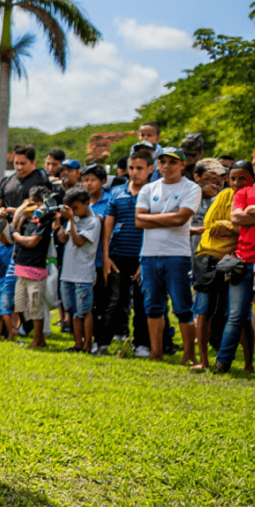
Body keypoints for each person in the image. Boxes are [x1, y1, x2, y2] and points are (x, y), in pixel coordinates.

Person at [135, 146, 200, 367]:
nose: (167, 166)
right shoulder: (148, 188)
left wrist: (152, 218)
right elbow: (138, 220)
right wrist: (169, 217)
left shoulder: (191, 188)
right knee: (152, 305)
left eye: (173, 162)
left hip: (177, 255)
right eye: (162, 161)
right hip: (149, 255)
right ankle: (156, 351)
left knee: (182, 307)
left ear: (183, 164)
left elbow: (181, 219)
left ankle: (188, 353)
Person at [215, 146, 255, 375]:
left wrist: (253, 210)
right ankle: (222, 364)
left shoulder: (250, 199)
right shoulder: (243, 193)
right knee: (235, 316)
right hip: (244, 261)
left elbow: (250, 214)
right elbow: (236, 217)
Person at [193, 161, 255, 372]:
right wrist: (237, 228)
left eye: (243, 178)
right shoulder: (224, 195)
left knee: (239, 314)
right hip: (208, 257)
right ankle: (204, 360)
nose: (237, 183)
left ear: (253, 178)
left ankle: (248, 364)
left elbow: (253, 231)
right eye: (233, 178)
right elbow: (210, 224)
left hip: (238, 258)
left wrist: (228, 225)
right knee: (204, 311)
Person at [103, 152, 154, 357]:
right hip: (117, 256)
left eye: (140, 168)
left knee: (142, 303)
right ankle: (104, 342)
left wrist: (145, 260)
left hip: (144, 257)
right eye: (132, 168)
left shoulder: (153, 193)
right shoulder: (116, 192)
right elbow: (108, 224)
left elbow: (154, 229)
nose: (134, 172)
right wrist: (106, 256)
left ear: (150, 169)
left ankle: (142, 343)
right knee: (113, 301)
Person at [56, 186, 100, 353]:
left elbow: (79, 242)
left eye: (76, 208)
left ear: (87, 203)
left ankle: (88, 344)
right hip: (67, 272)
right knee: (72, 311)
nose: (73, 211)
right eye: (71, 209)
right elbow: (63, 239)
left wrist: (71, 221)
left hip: (83, 274)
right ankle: (77, 344)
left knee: (85, 311)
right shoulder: (73, 220)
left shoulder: (93, 222)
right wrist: (60, 222)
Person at [11, 186, 54, 349]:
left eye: (38, 203)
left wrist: (17, 237)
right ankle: (21, 333)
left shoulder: (45, 221)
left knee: (36, 307)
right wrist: (22, 215)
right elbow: (12, 230)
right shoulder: (27, 220)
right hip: (21, 270)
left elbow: (32, 241)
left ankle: (39, 340)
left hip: (36, 271)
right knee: (20, 304)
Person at [80, 164, 113, 353]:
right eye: (85, 180)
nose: (88, 183)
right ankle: (86, 340)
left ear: (102, 181)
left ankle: (101, 342)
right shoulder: (79, 200)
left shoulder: (110, 201)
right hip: (83, 261)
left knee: (101, 303)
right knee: (85, 304)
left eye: (92, 180)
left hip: (101, 259)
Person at [0, 144, 55, 219]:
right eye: (16, 163)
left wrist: (17, 211)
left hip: (32, 226)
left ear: (33, 162)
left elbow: (47, 207)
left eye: (22, 163)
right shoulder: (5, 181)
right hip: (7, 226)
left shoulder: (43, 179)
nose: (19, 167)